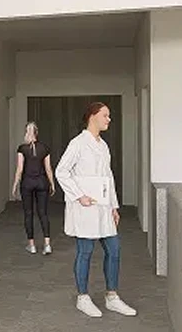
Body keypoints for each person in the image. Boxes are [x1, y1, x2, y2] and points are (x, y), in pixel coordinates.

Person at [55, 102, 137, 318]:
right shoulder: (78, 144)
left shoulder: (103, 145)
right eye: (105, 115)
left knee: (114, 249)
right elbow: (61, 171)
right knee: (85, 251)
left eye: (109, 116)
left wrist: (114, 206)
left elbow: (108, 178)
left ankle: (112, 297)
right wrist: (79, 196)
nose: (109, 119)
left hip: (104, 207)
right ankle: (83, 297)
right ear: (92, 116)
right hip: (86, 207)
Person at [11, 122, 55, 254]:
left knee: (28, 214)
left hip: (27, 183)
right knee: (43, 213)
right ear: (37, 132)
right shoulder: (44, 148)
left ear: (26, 132)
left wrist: (14, 184)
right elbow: (48, 169)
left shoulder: (22, 148)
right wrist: (52, 183)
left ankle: (32, 245)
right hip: (42, 182)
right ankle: (47, 245)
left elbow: (20, 169)